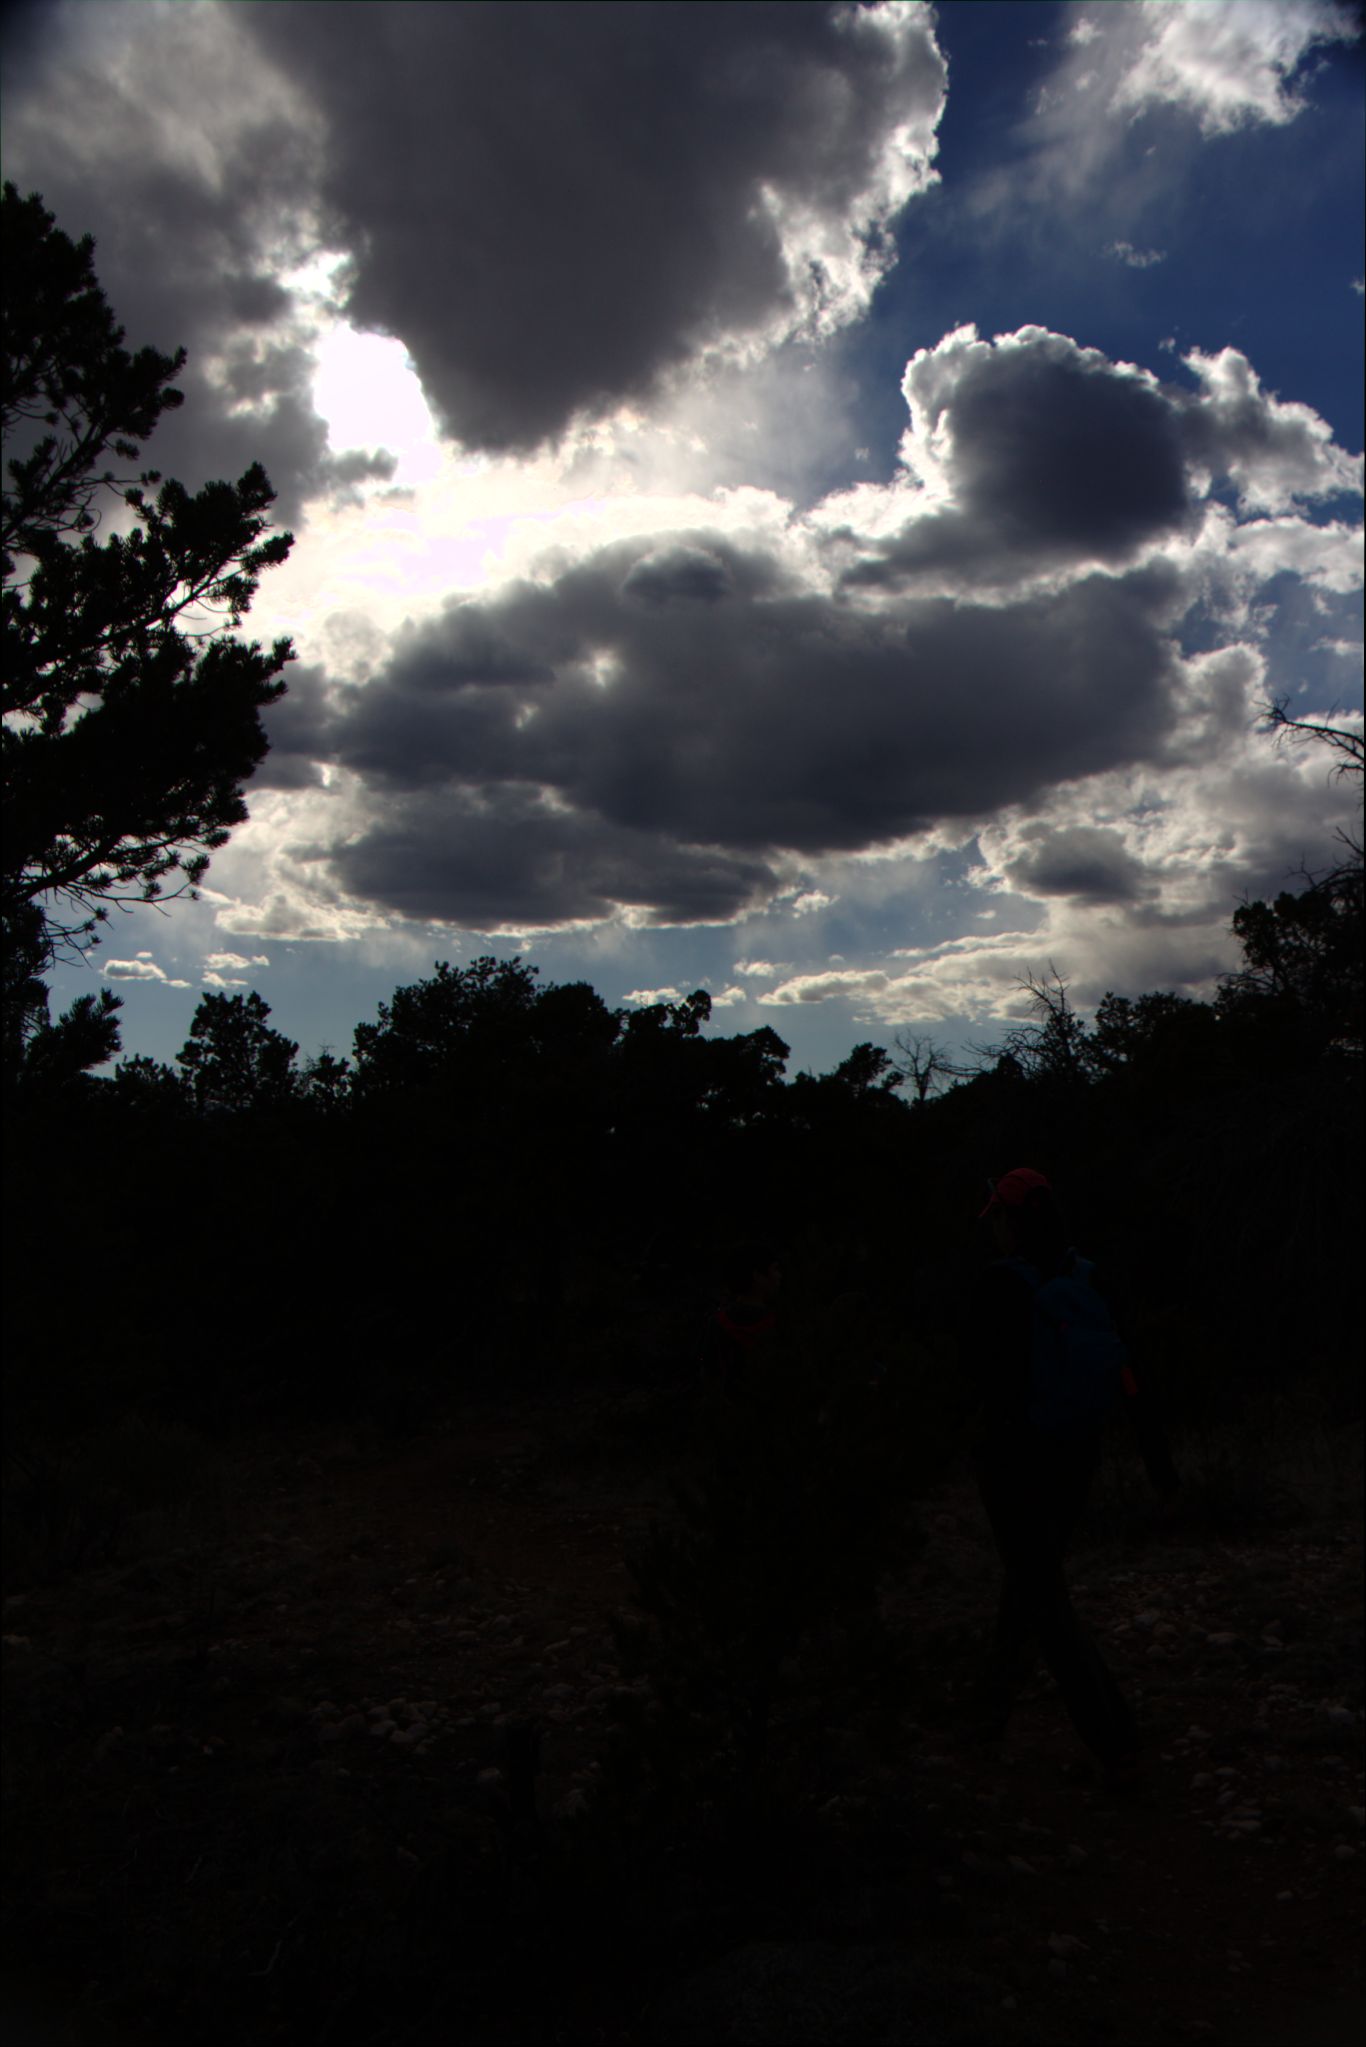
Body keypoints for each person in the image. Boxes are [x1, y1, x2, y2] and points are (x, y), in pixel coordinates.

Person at [962, 1166, 1179, 1781]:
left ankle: (1115, 1736)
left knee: (1042, 1593)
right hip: (1076, 1456)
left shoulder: (999, 1286)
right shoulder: (1091, 1276)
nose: (993, 1232)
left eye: (995, 1219)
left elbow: (975, 1379)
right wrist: (1161, 1469)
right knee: (1032, 1582)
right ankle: (987, 1714)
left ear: (1008, 1219)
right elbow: (1130, 1372)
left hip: (1012, 1463)